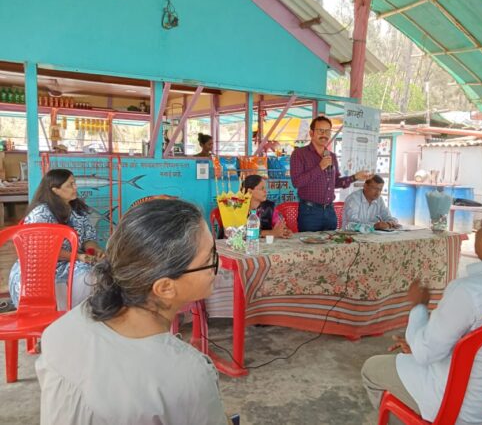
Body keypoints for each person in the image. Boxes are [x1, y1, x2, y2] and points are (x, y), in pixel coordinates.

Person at [361, 196, 482, 424]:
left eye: (480, 228)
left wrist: (419, 307)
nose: (477, 232)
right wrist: (422, 341)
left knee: (371, 368)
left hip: (461, 407)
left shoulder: (468, 291)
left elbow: (424, 354)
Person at [35, 199, 229, 425]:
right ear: (165, 287)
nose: (220, 264)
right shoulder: (188, 375)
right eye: (210, 259)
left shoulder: (62, 329)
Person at [8, 169, 103, 309]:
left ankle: (79, 313)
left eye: (75, 183)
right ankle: (64, 313)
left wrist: (94, 250)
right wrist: (77, 256)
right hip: (39, 266)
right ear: (55, 190)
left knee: (102, 268)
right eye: (70, 184)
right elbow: (42, 250)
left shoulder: (77, 210)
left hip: (72, 261)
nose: (75, 187)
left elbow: (88, 236)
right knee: (85, 272)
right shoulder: (41, 213)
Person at [290, 116, 369, 231]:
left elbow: (335, 182)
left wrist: (355, 177)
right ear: (311, 133)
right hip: (309, 212)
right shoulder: (299, 154)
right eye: (320, 131)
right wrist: (320, 167)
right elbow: (297, 182)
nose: (324, 134)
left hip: (329, 211)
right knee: (311, 248)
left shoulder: (331, 156)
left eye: (327, 131)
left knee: (331, 246)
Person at [241, 175, 292, 239]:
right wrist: (271, 233)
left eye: (265, 188)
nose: (265, 191)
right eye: (262, 188)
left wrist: (284, 231)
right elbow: (241, 233)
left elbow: (280, 227)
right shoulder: (239, 208)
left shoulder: (270, 207)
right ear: (250, 191)